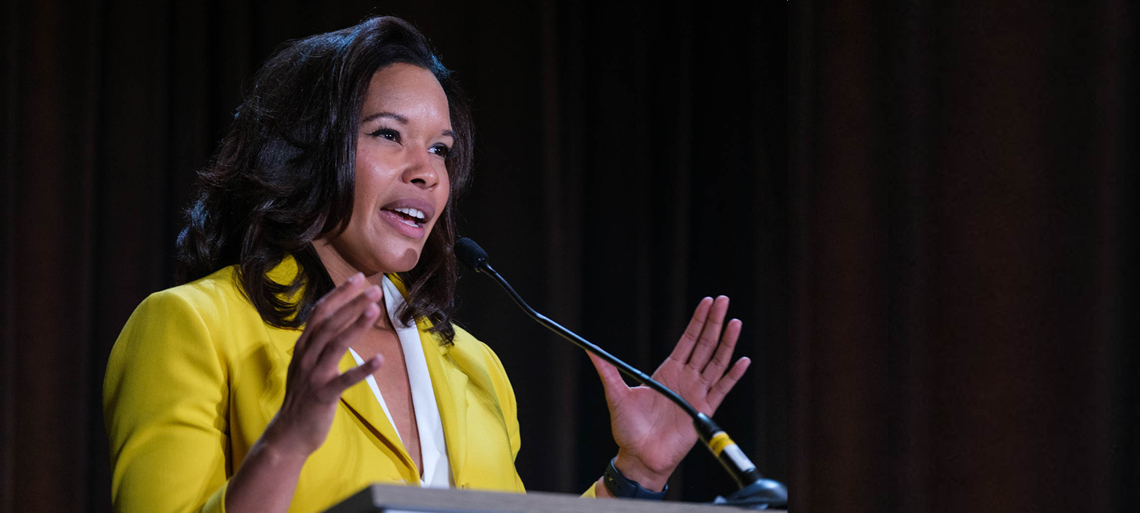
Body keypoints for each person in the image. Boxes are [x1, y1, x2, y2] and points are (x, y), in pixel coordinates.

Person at [103, 16, 752, 513]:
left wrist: (635, 472)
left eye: (441, 148)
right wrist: (285, 442)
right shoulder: (191, 326)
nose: (427, 171)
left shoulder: (475, 367)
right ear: (305, 148)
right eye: (389, 134)